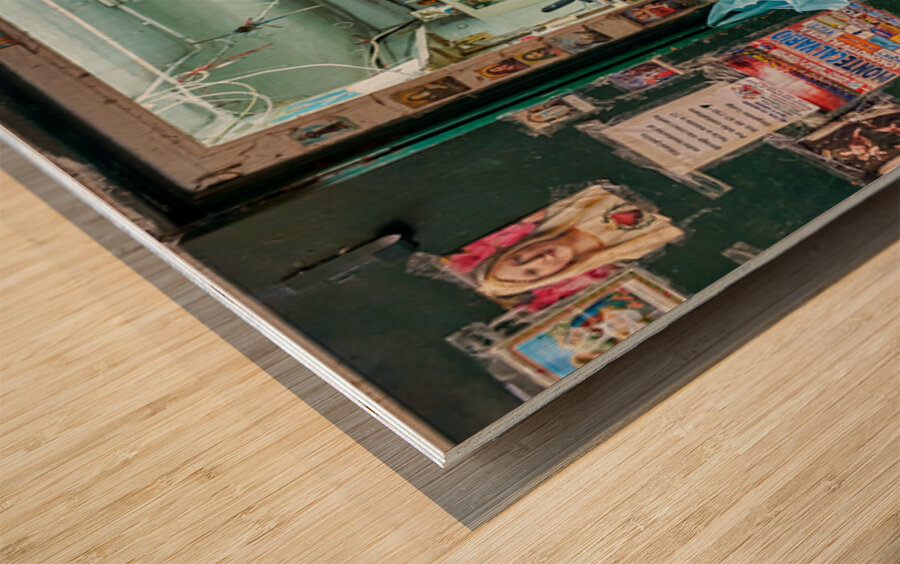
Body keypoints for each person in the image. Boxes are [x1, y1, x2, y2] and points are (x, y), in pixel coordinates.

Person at [445, 185, 683, 298]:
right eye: (532, 272)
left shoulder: (565, 206)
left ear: (519, 246)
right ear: (550, 278)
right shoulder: (638, 251)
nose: (540, 259)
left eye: (518, 258)